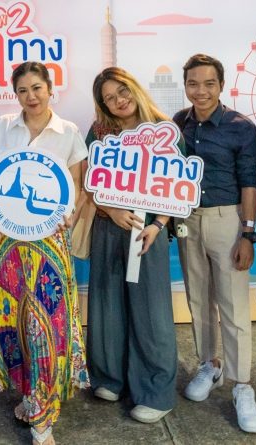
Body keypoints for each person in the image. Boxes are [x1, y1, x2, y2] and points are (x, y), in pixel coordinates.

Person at [0, 61, 89, 445]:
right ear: (16, 94)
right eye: (23, 90)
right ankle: (29, 392)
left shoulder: (68, 132)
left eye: (37, 88)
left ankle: (43, 412)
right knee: (15, 319)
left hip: (50, 243)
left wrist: (67, 218)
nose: (31, 96)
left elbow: (77, 187)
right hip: (10, 243)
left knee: (49, 321)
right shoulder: (0, 129)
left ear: (50, 89)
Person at [172, 54, 256, 433]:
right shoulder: (177, 124)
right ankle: (209, 365)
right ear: (185, 85)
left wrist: (248, 234)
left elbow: (249, 183)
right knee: (198, 298)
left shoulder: (241, 128)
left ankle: (242, 385)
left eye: (209, 83)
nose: (201, 91)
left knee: (234, 305)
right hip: (187, 220)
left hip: (228, 219)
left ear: (221, 86)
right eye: (193, 83)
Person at [84, 67, 177, 424]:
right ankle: (109, 377)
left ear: (134, 88)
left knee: (150, 310)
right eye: (109, 98)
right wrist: (111, 209)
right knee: (107, 304)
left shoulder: (164, 129)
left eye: (121, 91)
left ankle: (155, 390)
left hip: (147, 231)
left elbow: (177, 185)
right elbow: (88, 179)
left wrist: (158, 225)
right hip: (108, 227)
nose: (118, 100)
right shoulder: (99, 132)